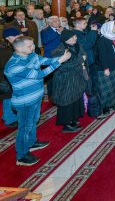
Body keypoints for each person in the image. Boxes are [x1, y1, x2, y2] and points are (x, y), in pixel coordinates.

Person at [5, 36, 71, 166]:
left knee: (33, 121)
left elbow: (45, 60)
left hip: (35, 97)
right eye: (29, 46)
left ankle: (32, 142)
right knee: (24, 128)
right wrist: (60, 61)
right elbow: (39, 74)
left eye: (33, 44)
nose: (33, 47)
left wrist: (59, 59)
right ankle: (22, 155)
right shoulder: (13, 65)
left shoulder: (31, 55)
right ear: (18, 48)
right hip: (25, 101)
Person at [51, 29, 90, 133]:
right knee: (67, 101)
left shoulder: (77, 45)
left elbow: (84, 56)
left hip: (77, 78)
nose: (75, 38)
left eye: (75, 36)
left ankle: (73, 119)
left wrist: (82, 61)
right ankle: (66, 125)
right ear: (65, 39)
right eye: (72, 37)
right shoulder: (59, 51)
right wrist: (80, 60)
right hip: (66, 80)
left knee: (76, 99)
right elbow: (63, 67)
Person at [0, 28, 22, 128]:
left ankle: (9, 115)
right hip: (4, 77)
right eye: (17, 36)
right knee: (8, 97)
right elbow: (5, 64)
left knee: (13, 96)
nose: (19, 37)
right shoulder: (3, 49)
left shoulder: (13, 46)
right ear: (8, 37)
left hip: (12, 75)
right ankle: (9, 119)